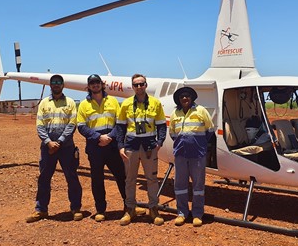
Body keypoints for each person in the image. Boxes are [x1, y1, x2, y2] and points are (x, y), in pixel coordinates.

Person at [77, 74, 135, 222]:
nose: (95, 85)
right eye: (92, 83)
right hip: (95, 146)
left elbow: (120, 122)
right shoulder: (84, 105)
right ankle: (100, 209)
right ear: (88, 86)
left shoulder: (113, 101)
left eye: (97, 82)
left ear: (102, 84)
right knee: (97, 179)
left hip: (112, 144)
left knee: (121, 176)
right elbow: (81, 126)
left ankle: (128, 207)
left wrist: (110, 137)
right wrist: (98, 137)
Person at [26, 74, 83, 223]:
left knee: (72, 177)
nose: (56, 85)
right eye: (54, 82)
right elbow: (39, 125)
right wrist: (48, 142)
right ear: (50, 85)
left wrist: (60, 142)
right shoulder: (44, 103)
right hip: (47, 148)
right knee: (44, 178)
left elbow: (72, 124)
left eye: (59, 82)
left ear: (63, 85)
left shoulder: (70, 103)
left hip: (67, 148)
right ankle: (41, 209)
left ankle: (76, 208)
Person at [115, 74, 167, 226]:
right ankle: (130, 208)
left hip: (149, 146)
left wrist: (160, 142)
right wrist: (120, 146)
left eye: (141, 84)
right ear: (132, 87)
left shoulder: (155, 103)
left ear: (146, 85)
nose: (139, 87)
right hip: (131, 146)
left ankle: (153, 208)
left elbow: (161, 125)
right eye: (136, 85)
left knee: (151, 179)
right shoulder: (125, 104)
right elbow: (120, 127)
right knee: (130, 179)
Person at [169, 86, 215, 227]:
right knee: (180, 185)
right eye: (182, 96)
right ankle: (182, 213)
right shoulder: (174, 113)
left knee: (198, 186)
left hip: (197, 154)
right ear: (178, 99)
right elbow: (172, 133)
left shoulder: (201, 110)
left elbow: (210, 130)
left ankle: (197, 214)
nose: (184, 98)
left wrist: (198, 143)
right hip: (181, 154)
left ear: (192, 98)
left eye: (187, 96)